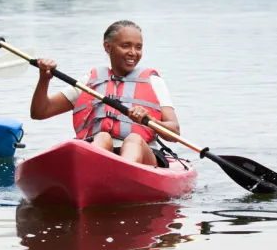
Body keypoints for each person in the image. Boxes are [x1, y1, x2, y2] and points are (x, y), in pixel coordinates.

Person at [30, 20, 180, 167]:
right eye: (125, 46)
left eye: (138, 47)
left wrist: (151, 120)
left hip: (143, 156)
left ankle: (123, 173)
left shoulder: (153, 82)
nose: (133, 53)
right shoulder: (90, 81)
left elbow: (174, 132)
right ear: (108, 47)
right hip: (99, 151)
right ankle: (93, 171)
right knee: (102, 136)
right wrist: (44, 79)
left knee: (134, 139)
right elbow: (40, 112)